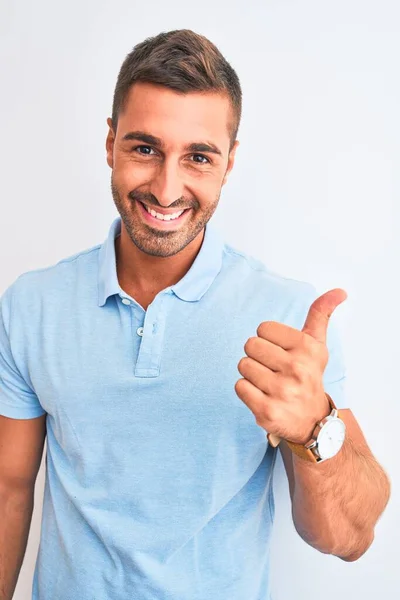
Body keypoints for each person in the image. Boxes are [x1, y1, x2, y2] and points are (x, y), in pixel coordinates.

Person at [0, 28, 391, 600]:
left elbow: (348, 538)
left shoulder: (288, 319)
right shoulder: (32, 305)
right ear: (110, 144)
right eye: (144, 148)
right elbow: (10, 489)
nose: (166, 188)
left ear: (229, 164)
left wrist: (314, 425)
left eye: (198, 157)